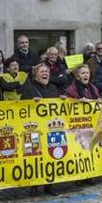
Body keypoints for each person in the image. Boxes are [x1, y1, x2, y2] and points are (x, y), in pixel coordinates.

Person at [21, 63, 64, 195]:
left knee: (50, 156)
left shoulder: (53, 88)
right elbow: (21, 108)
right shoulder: (28, 88)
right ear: (35, 75)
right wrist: (30, 102)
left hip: (50, 129)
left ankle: (49, 184)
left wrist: (62, 100)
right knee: (34, 156)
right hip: (33, 129)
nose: (45, 73)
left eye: (47, 71)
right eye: (42, 72)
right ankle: (34, 186)